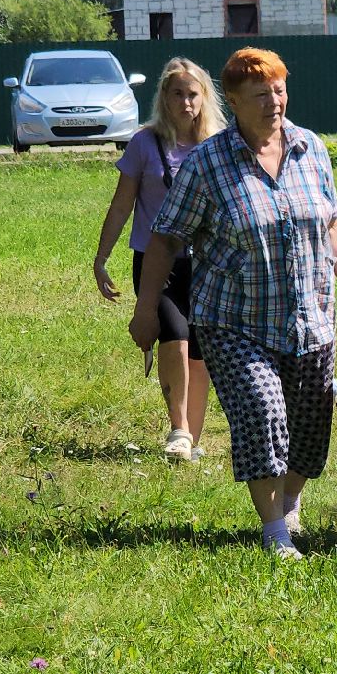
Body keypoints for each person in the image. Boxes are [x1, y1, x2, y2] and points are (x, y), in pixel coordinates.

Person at [131, 47, 337, 559]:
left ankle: (290, 499)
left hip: (309, 317)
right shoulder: (209, 163)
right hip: (234, 321)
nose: (274, 102)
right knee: (262, 414)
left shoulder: (310, 147)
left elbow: (330, 225)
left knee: (312, 428)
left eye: (279, 90)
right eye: (260, 95)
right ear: (231, 101)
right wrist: (146, 309)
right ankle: (274, 534)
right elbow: (164, 239)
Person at [95, 57, 226, 462]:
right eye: (177, 94)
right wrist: (101, 259)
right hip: (155, 262)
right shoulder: (144, 143)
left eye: (193, 94)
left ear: (204, 98)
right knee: (175, 335)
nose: (186, 102)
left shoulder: (220, 143)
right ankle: (179, 428)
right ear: (164, 98)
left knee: (201, 349)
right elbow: (121, 205)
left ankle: (192, 436)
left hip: (208, 263)